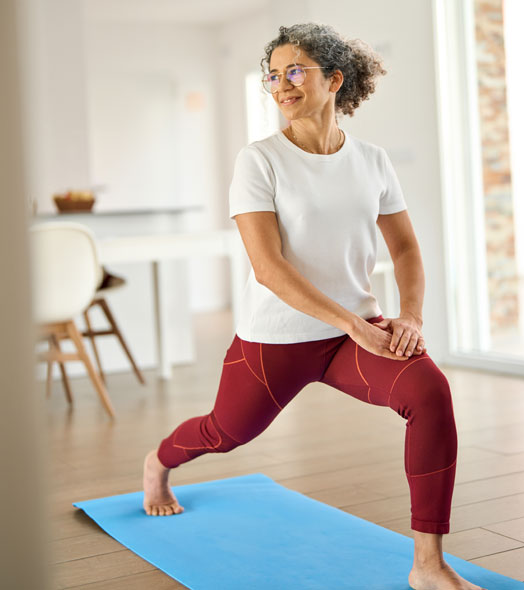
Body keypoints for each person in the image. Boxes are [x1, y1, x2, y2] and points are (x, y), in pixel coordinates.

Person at [143, 22, 486, 590]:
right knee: (225, 432)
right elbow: (268, 268)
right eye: (273, 75)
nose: (281, 84)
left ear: (335, 79)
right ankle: (158, 463)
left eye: (295, 70)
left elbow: (404, 248)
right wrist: (356, 324)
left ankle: (428, 565)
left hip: (351, 335)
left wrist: (411, 317)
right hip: (274, 340)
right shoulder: (259, 162)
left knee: (430, 393)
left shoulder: (372, 159)